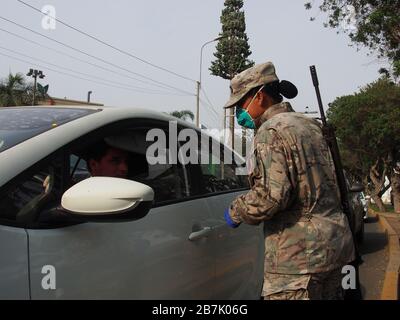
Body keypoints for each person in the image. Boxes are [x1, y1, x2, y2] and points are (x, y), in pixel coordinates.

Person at [223, 61, 355, 300]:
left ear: (260, 96)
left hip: (298, 262)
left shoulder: (270, 132)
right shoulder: (311, 125)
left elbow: (271, 197)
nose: (238, 114)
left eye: (241, 105)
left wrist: (236, 211)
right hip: (338, 249)